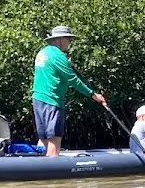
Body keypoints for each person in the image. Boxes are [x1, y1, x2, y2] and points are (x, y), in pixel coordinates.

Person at [31, 26, 106, 157]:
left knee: (43, 138)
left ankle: (39, 171)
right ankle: (52, 172)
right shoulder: (58, 55)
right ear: (60, 39)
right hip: (52, 100)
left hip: (37, 99)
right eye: (69, 39)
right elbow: (73, 80)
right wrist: (93, 95)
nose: (70, 42)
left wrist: (66, 64)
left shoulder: (43, 52)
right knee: (54, 137)